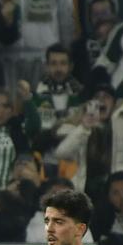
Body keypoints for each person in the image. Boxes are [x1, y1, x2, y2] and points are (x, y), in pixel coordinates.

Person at [54, 57, 123, 200]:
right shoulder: (79, 125)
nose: (101, 100)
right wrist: (84, 128)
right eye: (97, 96)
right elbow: (62, 153)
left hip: (122, 192)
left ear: (114, 104)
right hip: (87, 193)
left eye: (106, 97)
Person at [0, 0, 76, 91]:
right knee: (12, 107)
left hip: (45, 57)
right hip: (8, 58)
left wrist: (64, 53)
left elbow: (66, 16)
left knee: (45, 105)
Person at [18, 44, 85, 180]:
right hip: (43, 162)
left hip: (74, 163)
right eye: (53, 64)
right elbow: (31, 132)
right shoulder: (35, 97)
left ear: (70, 66)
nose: (58, 69)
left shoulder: (81, 96)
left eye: (63, 64)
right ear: (47, 66)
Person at [71, 0, 118, 91]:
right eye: (95, 14)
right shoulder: (78, 47)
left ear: (114, 15)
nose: (100, 18)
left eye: (104, 13)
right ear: (90, 18)